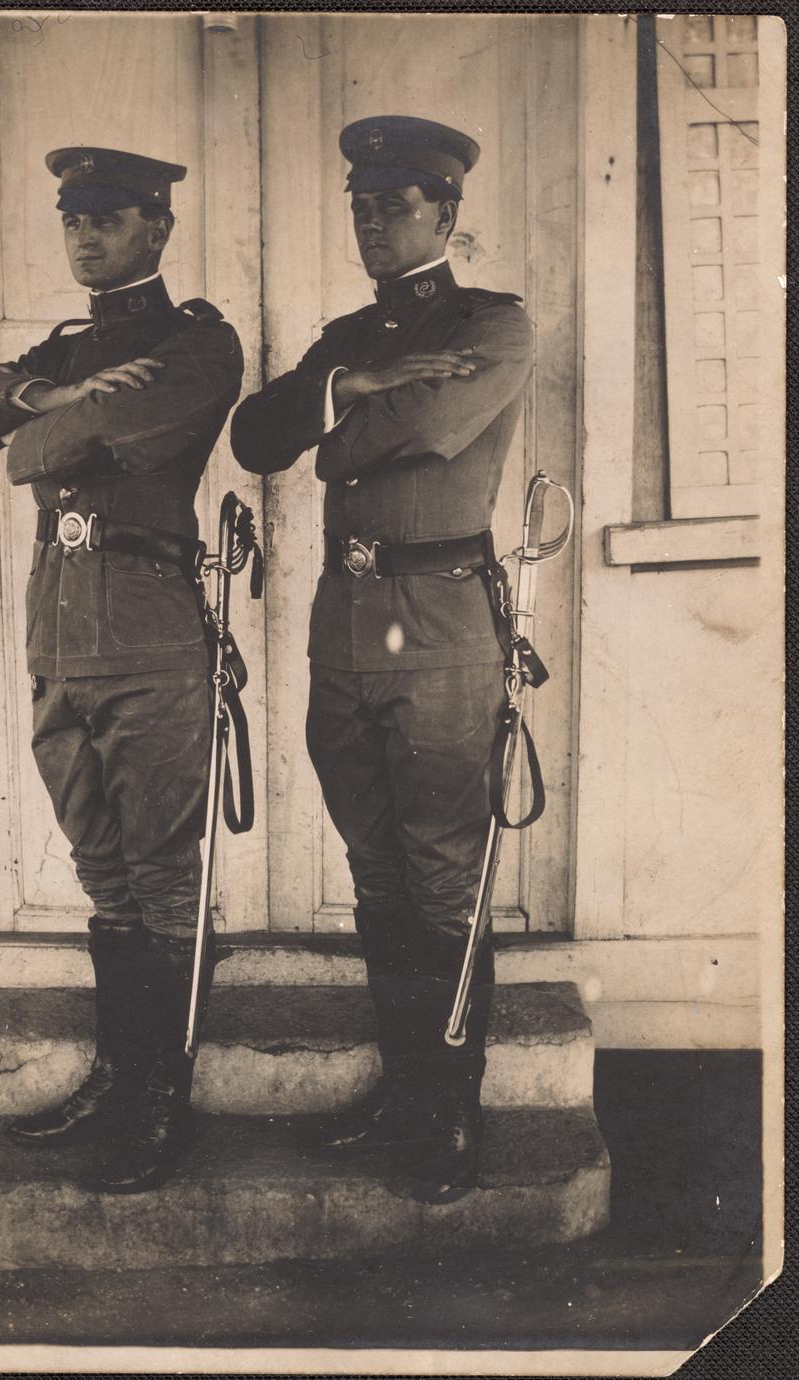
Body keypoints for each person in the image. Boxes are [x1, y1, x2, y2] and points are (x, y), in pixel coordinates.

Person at [0, 147, 243, 1193]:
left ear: (157, 227)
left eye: (110, 220)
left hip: (149, 626)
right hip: (56, 628)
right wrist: (32, 390)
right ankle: (121, 1072)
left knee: (160, 869)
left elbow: (87, 438)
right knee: (101, 867)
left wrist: (32, 426)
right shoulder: (66, 348)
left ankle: (167, 1102)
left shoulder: (195, 343)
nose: (87, 238)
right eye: (73, 221)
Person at [231, 116, 534, 1203]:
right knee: (376, 873)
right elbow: (260, 440)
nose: (372, 221)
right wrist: (348, 388)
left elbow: (413, 438)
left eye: (394, 204)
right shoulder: (349, 335)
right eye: (360, 204)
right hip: (346, 624)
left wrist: (347, 408)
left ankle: (451, 1111)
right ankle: (407, 1091)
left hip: (443, 621)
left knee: (446, 876)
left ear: (446, 215)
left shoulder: (492, 326)